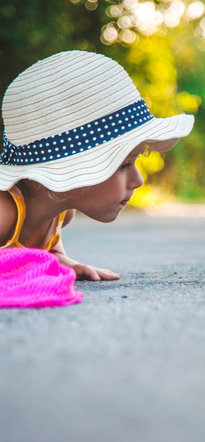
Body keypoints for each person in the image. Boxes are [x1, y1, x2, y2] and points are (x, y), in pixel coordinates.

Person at [0, 50, 194, 281]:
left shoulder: (62, 212)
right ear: (71, 171)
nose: (139, 180)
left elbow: (43, 252)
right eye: (123, 165)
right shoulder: (6, 211)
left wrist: (65, 263)